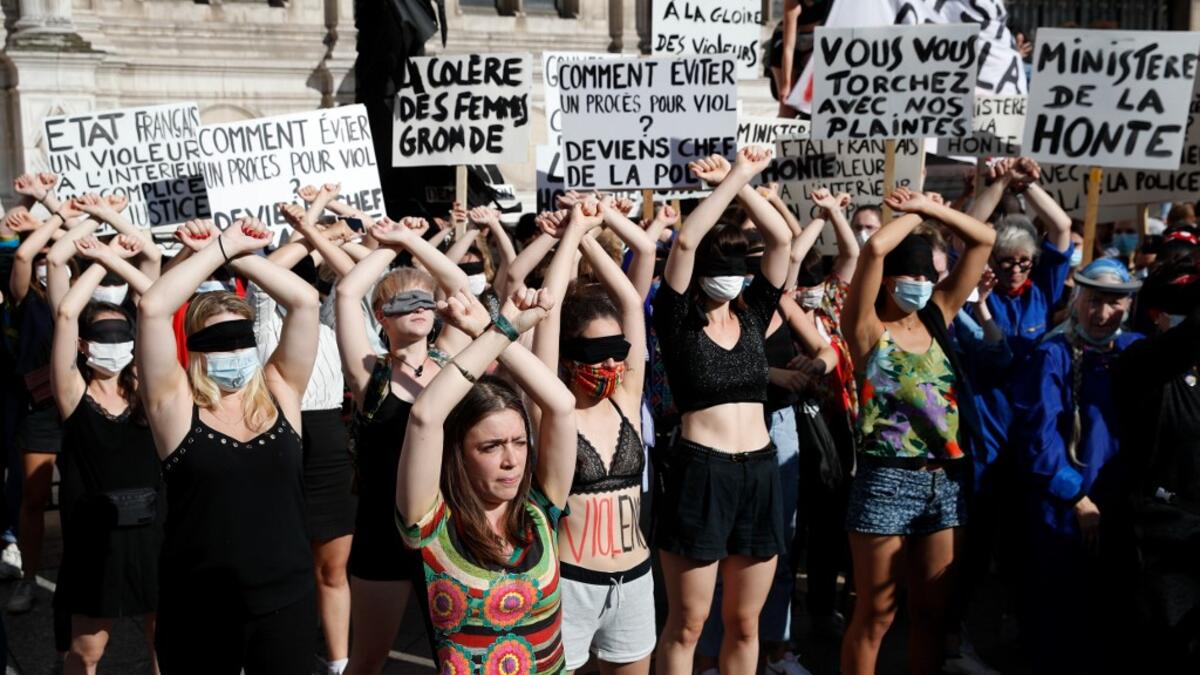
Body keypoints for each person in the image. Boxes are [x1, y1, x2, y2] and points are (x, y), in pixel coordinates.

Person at [137, 217, 320, 674]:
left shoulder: (281, 390)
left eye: (242, 340)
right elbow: (153, 307)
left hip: (287, 601)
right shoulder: (174, 404)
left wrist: (244, 255)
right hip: (199, 607)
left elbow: (305, 300)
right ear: (194, 349)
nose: (233, 352)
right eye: (218, 342)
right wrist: (218, 247)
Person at [839, 188, 994, 675]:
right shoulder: (865, 329)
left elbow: (984, 239)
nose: (923, 283)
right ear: (886, 283)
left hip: (943, 482)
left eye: (930, 275)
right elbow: (875, 249)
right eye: (914, 275)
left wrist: (931, 211)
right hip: (886, 480)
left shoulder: (938, 314)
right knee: (876, 613)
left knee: (931, 613)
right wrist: (909, 213)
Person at [651, 147, 793, 675]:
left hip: (759, 472)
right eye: (719, 267)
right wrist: (732, 178)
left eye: (737, 268)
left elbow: (780, 240)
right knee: (688, 624)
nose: (729, 276)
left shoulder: (755, 314)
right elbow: (687, 239)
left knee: (746, 623)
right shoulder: (677, 319)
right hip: (701, 473)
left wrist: (747, 185)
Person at [396, 286, 577, 673]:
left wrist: (493, 331)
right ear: (459, 452)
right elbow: (425, 415)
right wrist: (500, 332)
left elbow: (561, 406)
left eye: (518, 442)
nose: (512, 460)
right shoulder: (431, 524)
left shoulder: (541, 509)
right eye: (491, 447)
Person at [335, 215, 472, 675]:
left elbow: (457, 284)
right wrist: (386, 249)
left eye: (425, 300)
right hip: (381, 529)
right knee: (368, 660)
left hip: (450, 526)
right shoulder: (368, 372)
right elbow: (348, 293)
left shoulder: (450, 357)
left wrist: (410, 239)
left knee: (457, 658)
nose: (418, 306)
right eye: (403, 301)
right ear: (382, 317)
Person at [531, 199, 657, 673]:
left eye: (617, 351)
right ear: (567, 356)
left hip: (636, 581)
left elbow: (629, 300)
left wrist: (586, 232)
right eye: (596, 352)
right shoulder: (554, 410)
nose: (610, 363)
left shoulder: (625, 398)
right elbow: (549, 310)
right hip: (570, 584)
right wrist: (569, 238)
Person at [1010, 258, 1144, 674]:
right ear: (1077, 299)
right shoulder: (1052, 353)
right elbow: (1038, 437)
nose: (1102, 315)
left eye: (1114, 303)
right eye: (1094, 301)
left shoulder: (1135, 350)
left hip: (1123, 507)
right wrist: (1077, 497)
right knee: (1061, 618)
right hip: (1065, 510)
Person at [49, 235, 161, 675]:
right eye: (102, 336)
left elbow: (155, 300)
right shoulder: (73, 393)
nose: (112, 343)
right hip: (96, 538)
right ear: (82, 345)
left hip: (153, 529)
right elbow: (65, 312)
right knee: (87, 651)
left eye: (122, 334)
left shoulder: (148, 389)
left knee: (164, 643)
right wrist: (97, 260)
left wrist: (113, 254)